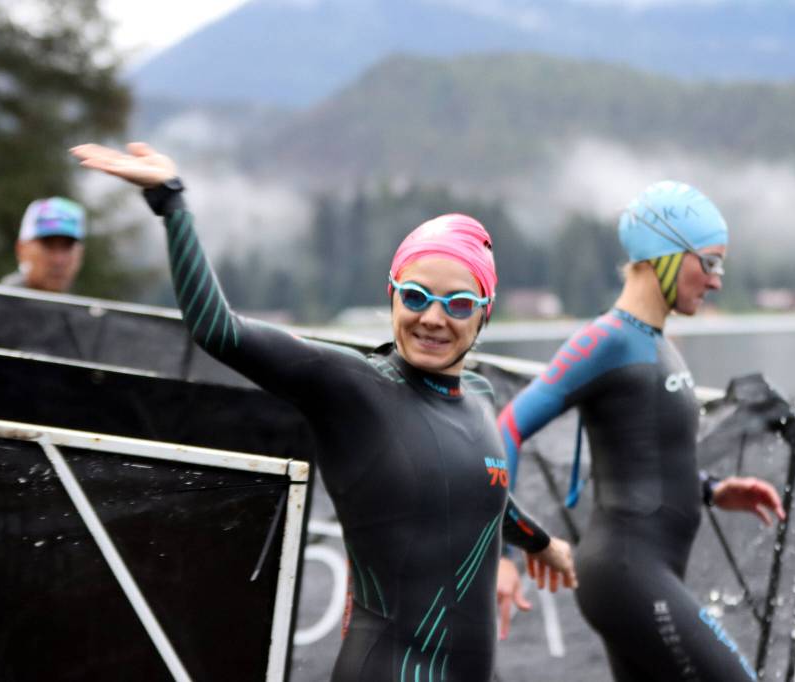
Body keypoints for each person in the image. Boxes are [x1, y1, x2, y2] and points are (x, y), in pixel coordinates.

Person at [70, 142, 576, 682]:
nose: (432, 318)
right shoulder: (351, 387)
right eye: (415, 295)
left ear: (483, 317)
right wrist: (170, 201)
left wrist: (543, 543)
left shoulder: (478, 395)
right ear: (391, 296)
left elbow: (482, 485)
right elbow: (218, 329)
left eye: (458, 304)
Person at [494, 181, 786, 680]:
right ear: (664, 256)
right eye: (709, 263)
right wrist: (502, 551)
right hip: (627, 572)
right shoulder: (606, 340)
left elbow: (640, 460)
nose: (716, 281)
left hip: (644, 571)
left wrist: (712, 491)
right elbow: (506, 430)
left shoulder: (653, 342)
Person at [0, 197, 86, 293]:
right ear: (21, 249)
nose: (58, 260)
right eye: (48, 245)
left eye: (67, 247)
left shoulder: (90, 306)